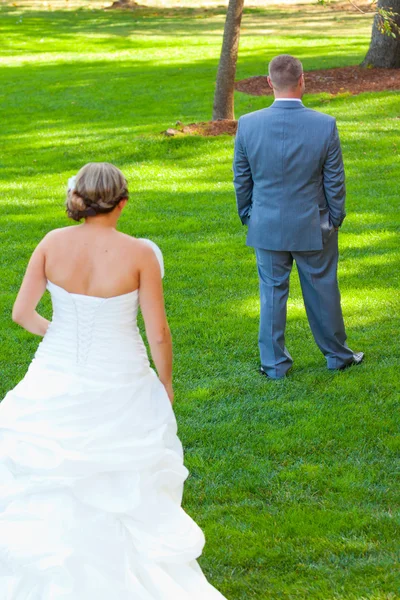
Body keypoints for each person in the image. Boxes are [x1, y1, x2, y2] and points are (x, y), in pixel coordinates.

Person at [0, 162, 227, 599]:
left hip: (56, 369)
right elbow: (158, 331)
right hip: (121, 370)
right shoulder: (139, 253)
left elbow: (21, 314)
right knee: (123, 471)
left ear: (78, 200)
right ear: (122, 202)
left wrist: (61, 335)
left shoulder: (51, 244)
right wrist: (166, 381)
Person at [233, 54, 364, 379]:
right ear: (303, 80)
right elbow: (335, 181)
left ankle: (274, 365)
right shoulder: (324, 125)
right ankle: (338, 356)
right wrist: (335, 219)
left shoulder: (248, 124)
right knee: (323, 289)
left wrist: (248, 214)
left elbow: (241, 178)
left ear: (269, 83)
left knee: (272, 293)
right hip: (313, 223)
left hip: (266, 223)